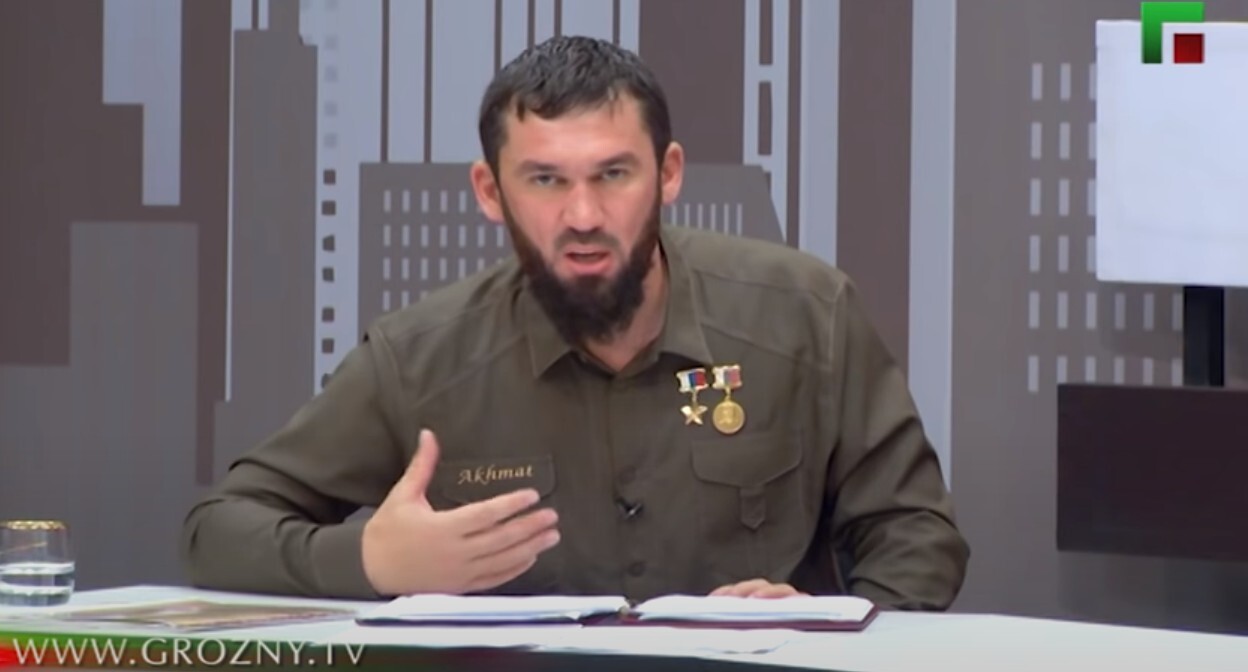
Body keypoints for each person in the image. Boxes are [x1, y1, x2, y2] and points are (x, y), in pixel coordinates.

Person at [181, 35, 969, 610]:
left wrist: (835, 632)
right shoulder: (421, 358)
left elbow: (916, 536)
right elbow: (218, 530)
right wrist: (375, 562)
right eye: (546, 180)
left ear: (667, 175)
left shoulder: (805, 314)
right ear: (490, 192)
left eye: (613, 174)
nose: (583, 215)